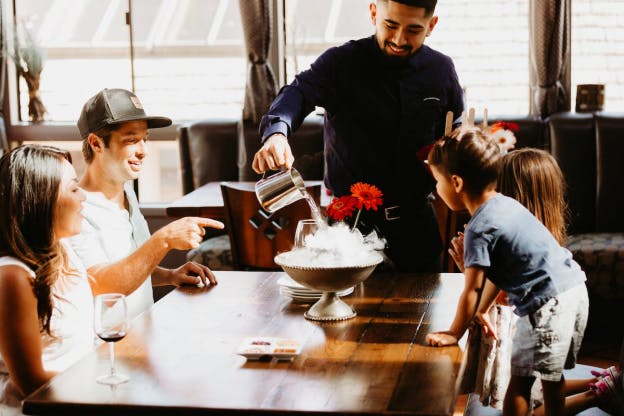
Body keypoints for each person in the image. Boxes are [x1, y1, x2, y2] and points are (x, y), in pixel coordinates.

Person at [252, 0, 464, 272]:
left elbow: (455, 129)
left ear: (431, 26)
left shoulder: (441, 70)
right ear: (374, 13)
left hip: (417, 227)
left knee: (423, 313)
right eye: (391, 25)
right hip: (349, 229)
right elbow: (298, 92)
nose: (400, 39)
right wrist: (276, 134)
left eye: (413, 30)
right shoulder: (340, 63)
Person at [425, 127, 589, 416]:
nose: (436, 190)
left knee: (520, 384)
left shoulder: (478, 227)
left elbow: (473, 288)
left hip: (548, 305)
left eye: (437, 182)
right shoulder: (505, 205)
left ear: (456, 182)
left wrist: (454, 332)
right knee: (551, 380)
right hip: (574, 290)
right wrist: (483, 309)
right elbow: (498, 273)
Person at [67, 88, 224, 319]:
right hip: (107, 346)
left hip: (142, 338)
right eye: (131, 140)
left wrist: (170, 275)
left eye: (145, 140)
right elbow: (101, 285)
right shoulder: (77, 209)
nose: (144, 151)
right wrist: (164, 239)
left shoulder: (127, 191)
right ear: (96, 144)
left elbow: (131, 265)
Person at [0, 145, 93, 415]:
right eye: (74, 189)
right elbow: (31, 383)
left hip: (78, 400)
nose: (84, 196)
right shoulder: (13, 278)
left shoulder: (63, 249)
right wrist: (106, 387)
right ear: (42, 199)